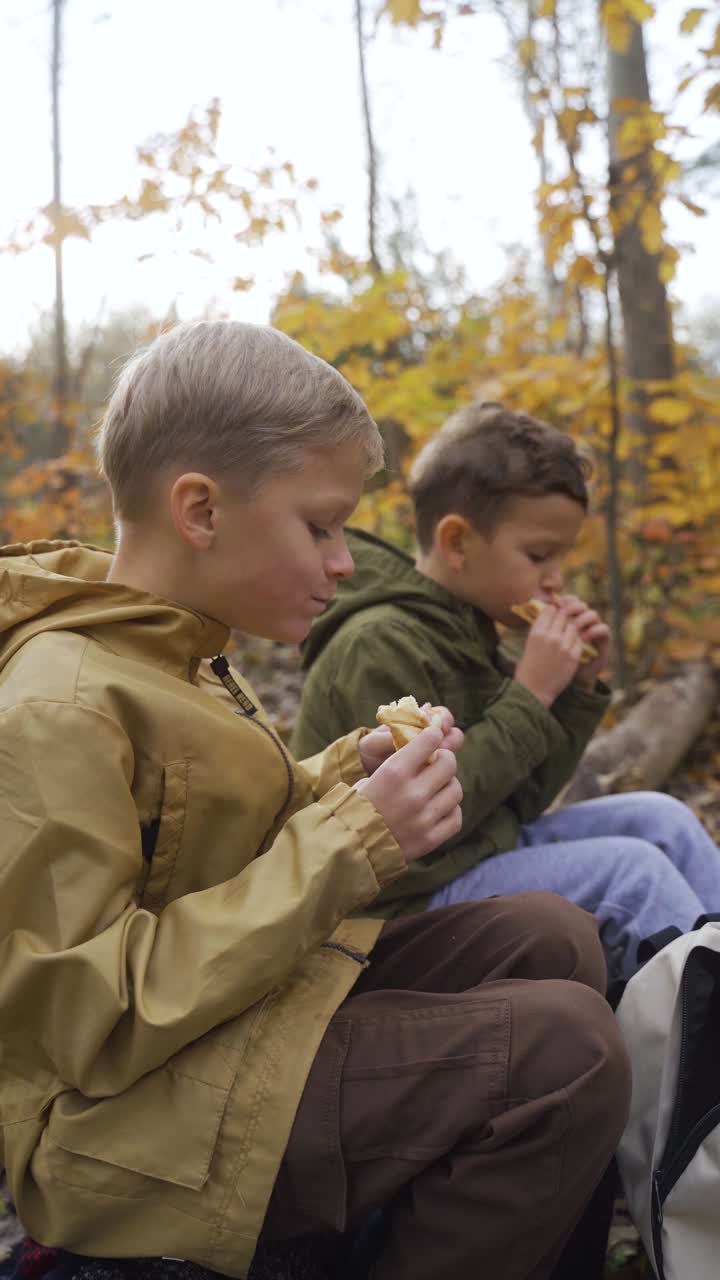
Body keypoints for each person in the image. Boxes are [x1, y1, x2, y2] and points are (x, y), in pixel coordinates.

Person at [0, 329, 629, 1280]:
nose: (344, 562)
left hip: (237, 1023)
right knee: (569, 1052)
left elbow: (221, 841)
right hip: (118, 1134)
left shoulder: (182, 651)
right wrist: (353, 836)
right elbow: (93, 1019)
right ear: (201, 510)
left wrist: (347, 771)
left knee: (551, 934)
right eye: (321, 526)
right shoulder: (62, 702)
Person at [292, 400, 720, 979]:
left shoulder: (463, 625)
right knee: (631, 875)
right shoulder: (381, 642)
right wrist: (533, 693)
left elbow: (519, 800)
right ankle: (698, 1038)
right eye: (539, 555)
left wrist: (574, 691)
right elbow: (436, 819)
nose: (556, 579)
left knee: (661, 819)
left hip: (477, 853)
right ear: (459, 543)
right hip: (397, 906)